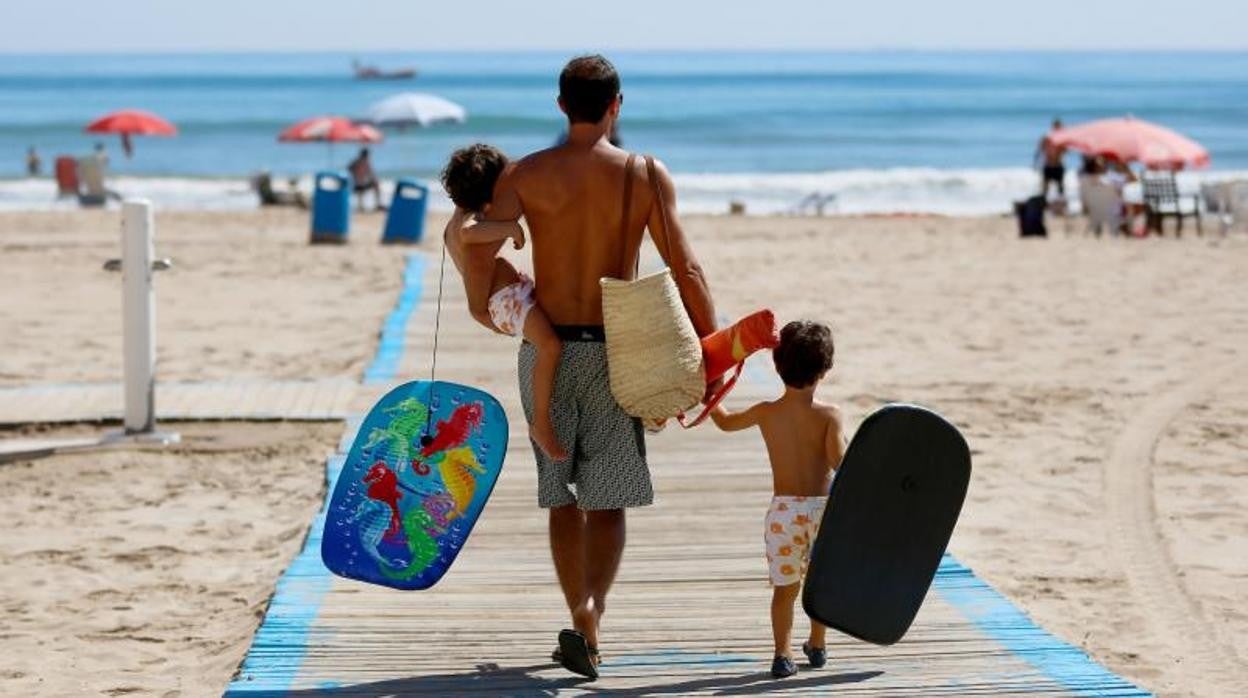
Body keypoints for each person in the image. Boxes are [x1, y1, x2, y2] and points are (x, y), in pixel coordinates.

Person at [484, 54, 718, 678]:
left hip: (546, 348)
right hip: (619, 349)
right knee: (608, 499)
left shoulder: (524, 175)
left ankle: (576, 612)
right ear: (618, 104)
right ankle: (593, 607)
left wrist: (498, 292)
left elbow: (479, 247)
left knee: (561, 497)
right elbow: (686, 268)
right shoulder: (644, 173)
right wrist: (714, 348)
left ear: (561, 105)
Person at [709, 320, 846, 679]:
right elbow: (840, 465)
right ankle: (817, 645)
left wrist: (711, 390)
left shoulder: (767, 412)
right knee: (821, 584)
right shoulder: (829, 416)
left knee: (785, 589)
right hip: (822, 513)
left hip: (784, 514)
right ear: (825, 369)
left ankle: (783, 654)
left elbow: (724, 422)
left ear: (776, 365)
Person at [441, 143, 567, 462]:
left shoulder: (451, 222)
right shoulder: (469, 220)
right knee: (551, 347)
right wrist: (510, 227)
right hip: (506, 302)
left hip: (507, 300)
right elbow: (470, 235)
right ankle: (540, 423)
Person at [1036, 118, 1067, 198]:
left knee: (1060, 187)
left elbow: (1066, 151)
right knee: (1045, 187)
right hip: (1048, 165)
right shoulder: (1047, 138)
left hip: (1058, 165)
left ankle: (1060, 204)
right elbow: (1040, 150)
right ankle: (1043, 204)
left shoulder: (1062, 139)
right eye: (1057, 126)